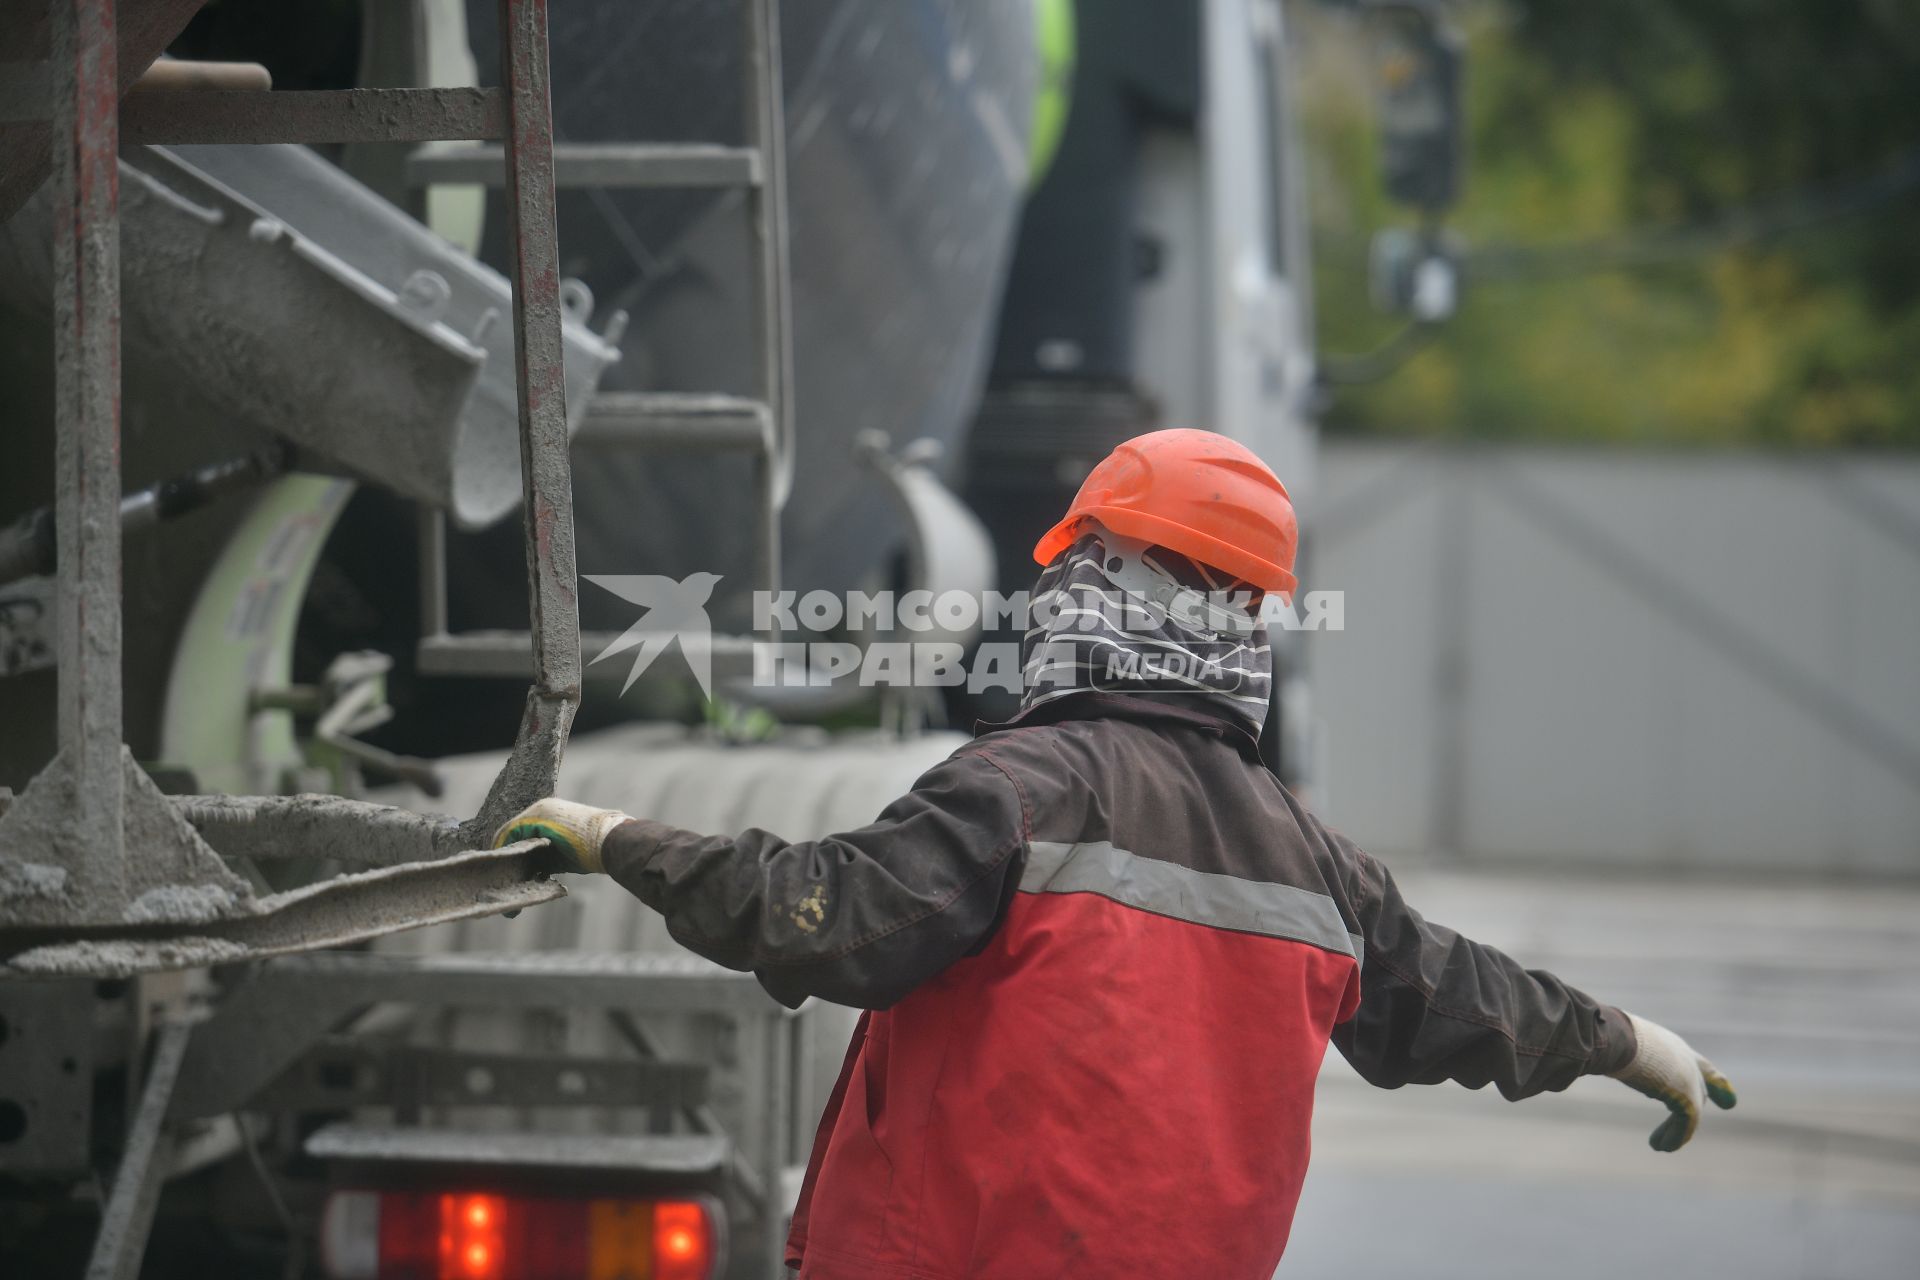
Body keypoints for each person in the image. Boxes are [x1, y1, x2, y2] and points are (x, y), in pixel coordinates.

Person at [495, 429, 1736, 1279]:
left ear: (1109, 589)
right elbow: (1468, 1000)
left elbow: (817, 917)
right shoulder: (1321, 867)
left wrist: (618, 839)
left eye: (1080, 566)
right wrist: (1632, 1043)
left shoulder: (1022, 792)